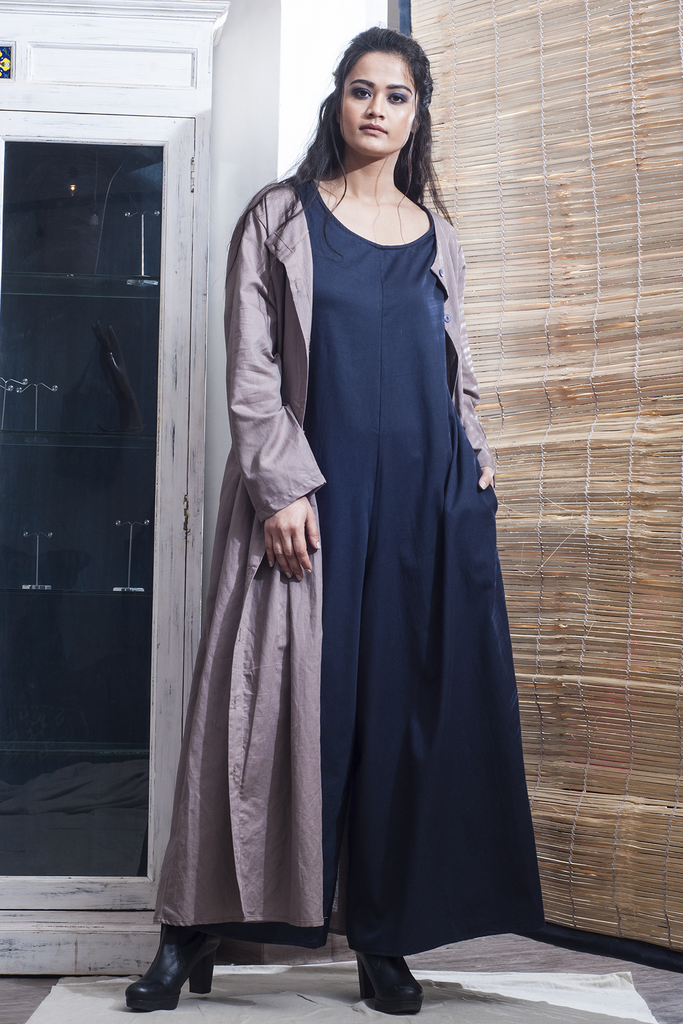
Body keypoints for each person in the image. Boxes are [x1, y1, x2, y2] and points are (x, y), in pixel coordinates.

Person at [125, 26, 544, 1016]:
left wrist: (475, 463)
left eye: (395, 96)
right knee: (256, 720)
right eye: (361, 90)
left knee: (399, 724)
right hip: (311, 502)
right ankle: (187, 933)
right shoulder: (278, 218)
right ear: (338, 100)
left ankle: (383, 940)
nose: (376, 109)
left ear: (415, 115)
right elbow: (252, 368)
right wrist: (279, 487)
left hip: (422, 510)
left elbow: (456, 371)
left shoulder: (435, 233)